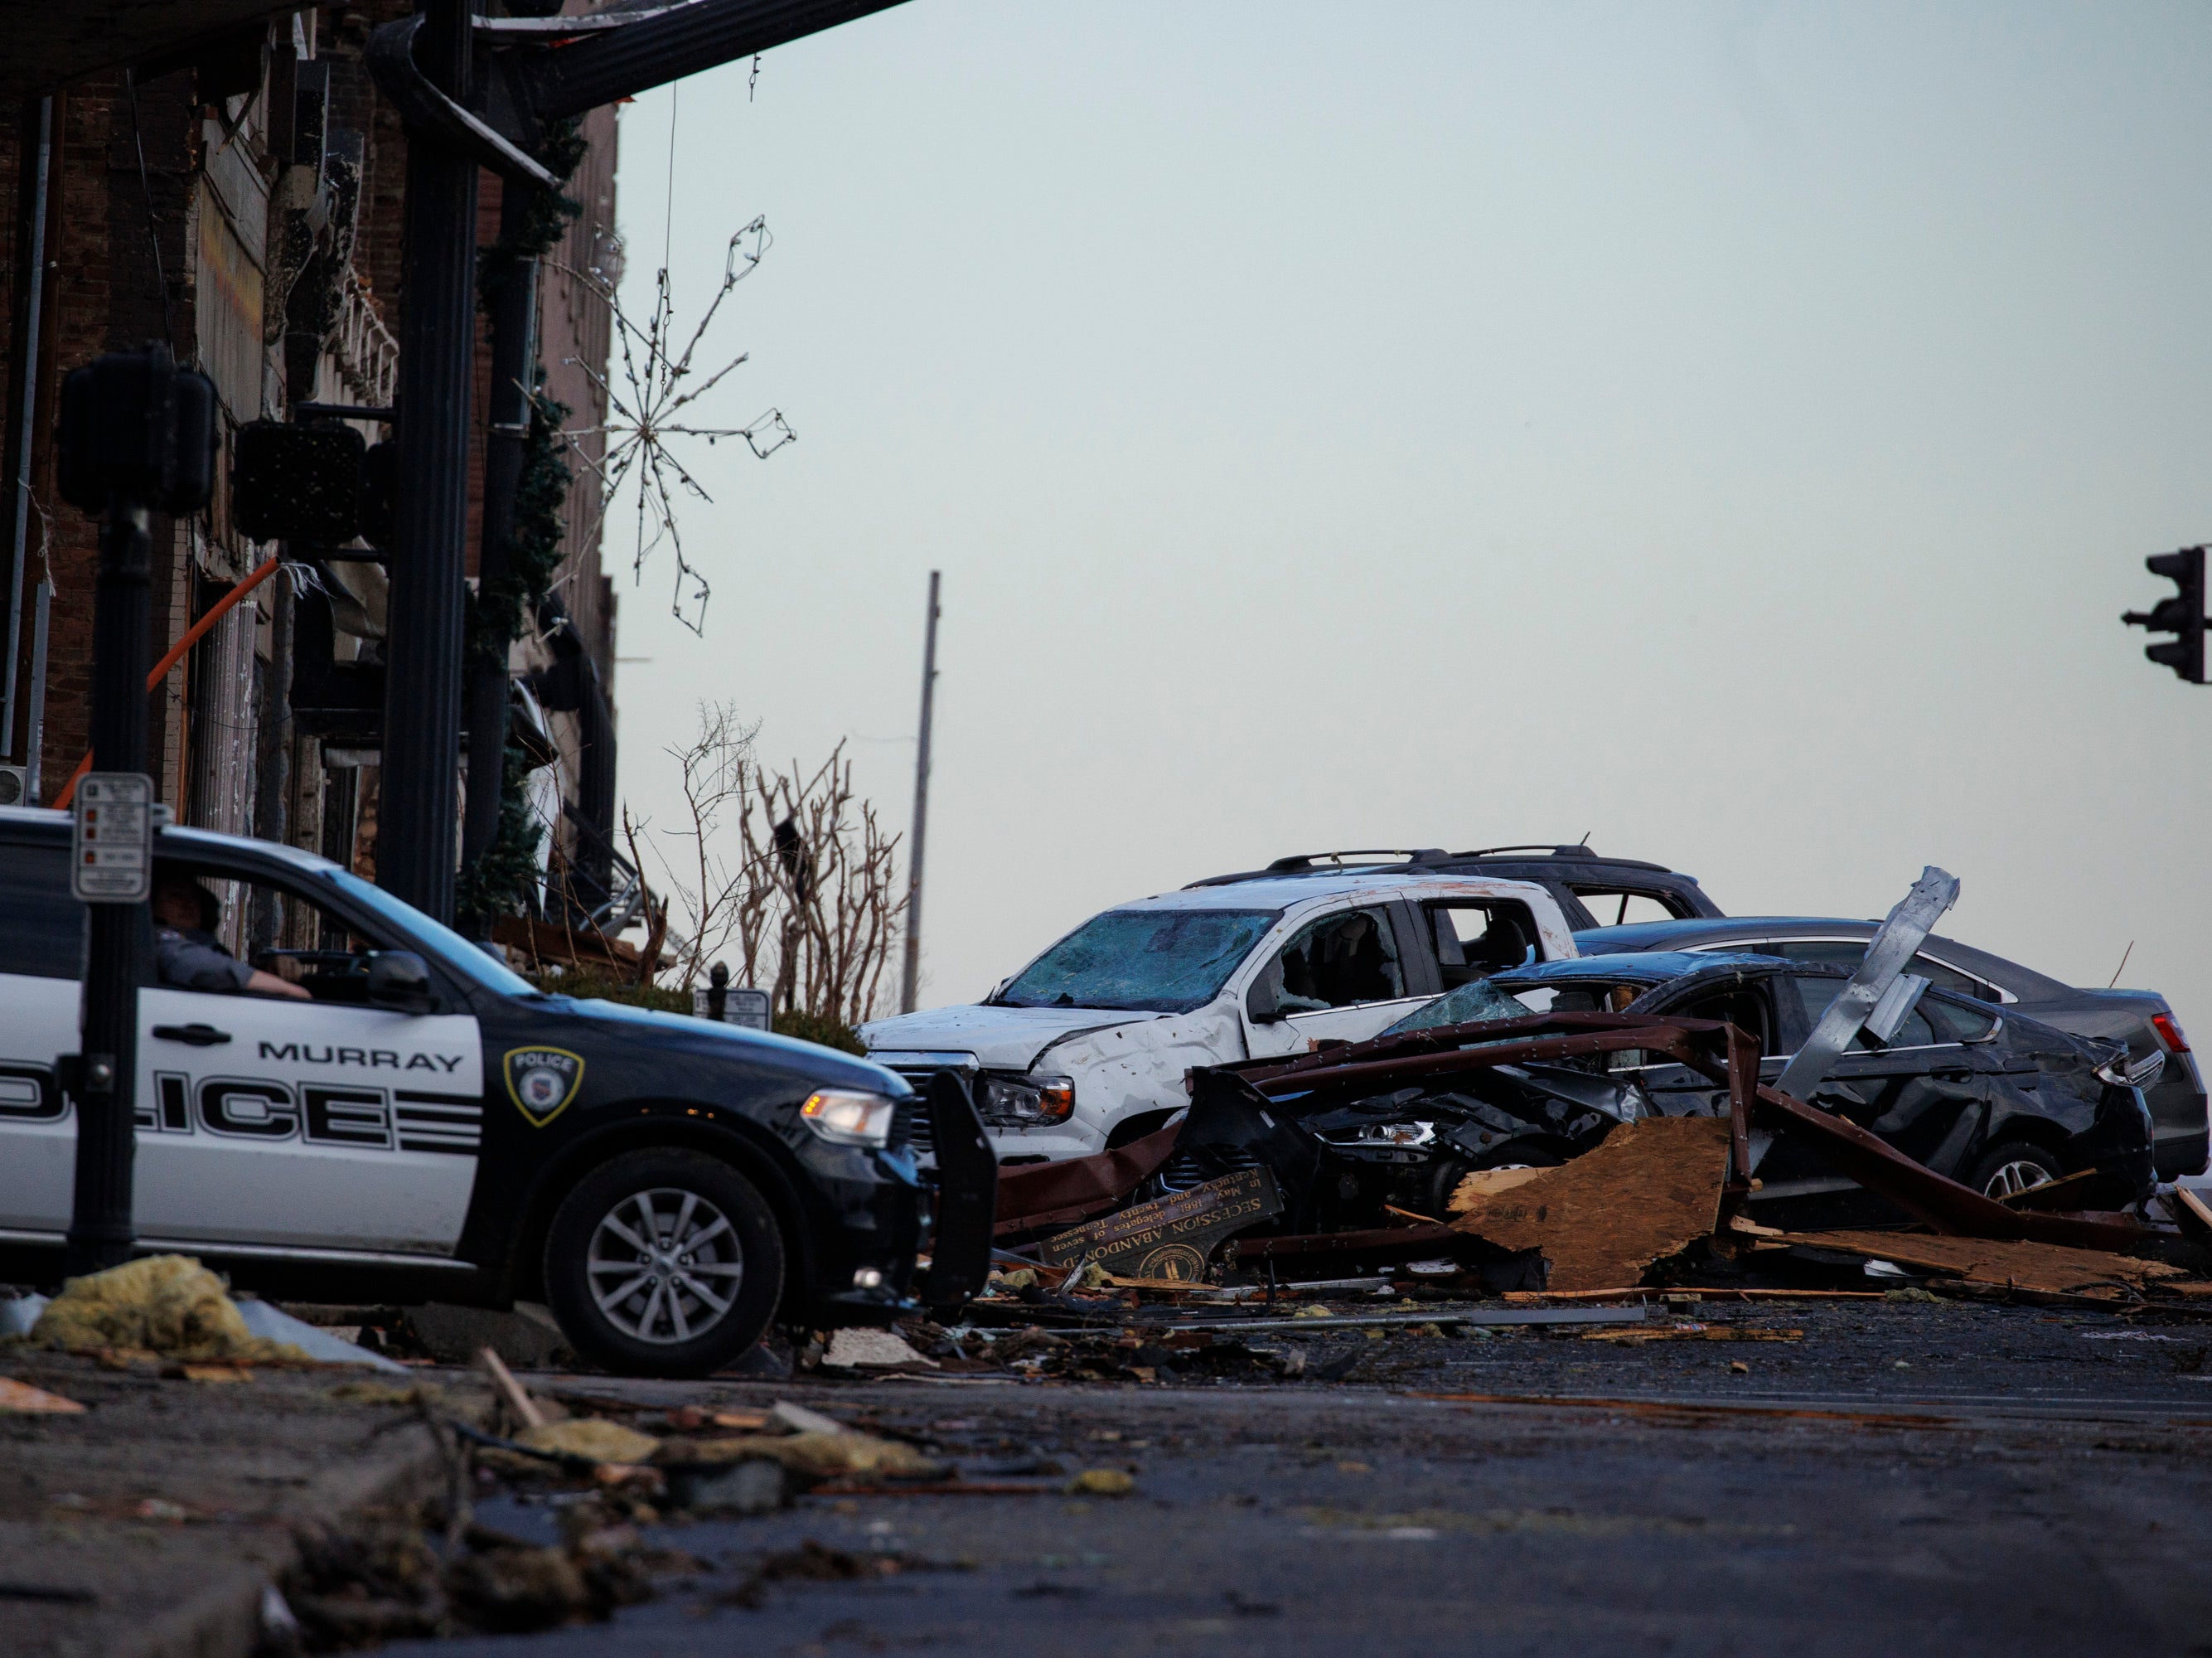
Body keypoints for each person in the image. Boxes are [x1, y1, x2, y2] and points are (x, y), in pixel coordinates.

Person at [151, 871, 312, 1001]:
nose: (188, 904)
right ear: (154, 903)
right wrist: (290, 990)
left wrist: (267, 970)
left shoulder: (199, 940)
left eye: (194, 897)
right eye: (176, 897)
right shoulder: (159, 938)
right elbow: (205, 968)